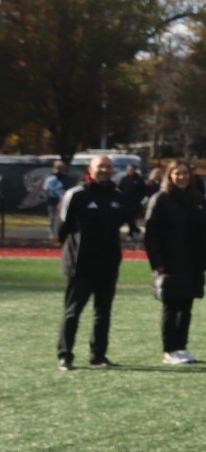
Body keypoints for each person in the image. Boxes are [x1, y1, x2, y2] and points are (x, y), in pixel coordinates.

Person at [55, 155, 126, 370]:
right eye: (100, 166)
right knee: (73, 312)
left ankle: (98, 355)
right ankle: (65, 355)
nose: (105, 170)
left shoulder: (118, 195)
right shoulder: (76, 194)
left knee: (103, 312)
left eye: (109, 166)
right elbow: (60, 229)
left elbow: (120, 223)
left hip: (108, 264)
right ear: (90, 169)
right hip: (80, 265)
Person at [145, 160, 206, 364]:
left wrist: (204, 258)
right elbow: (151, 234)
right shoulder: (161, 199)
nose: (182, 177)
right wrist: (157, 262)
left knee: (186, 306)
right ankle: (169, 349)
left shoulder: (198, 199)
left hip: (192, 262)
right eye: (177, 173)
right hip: (170, 262)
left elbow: (205, 231)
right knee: (171, 307)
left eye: (185, 173)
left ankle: (181, 347)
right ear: (169, 176)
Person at [118, 163, 146, 238]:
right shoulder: (124, 179)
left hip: (136, 204)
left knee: (131, 218)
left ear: (134, 170)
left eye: (131, 169)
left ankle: (131, 233)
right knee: (127, 219)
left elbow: (145, 194)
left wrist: (143, 203)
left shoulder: (139, 180)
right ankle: (136, 230)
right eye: (128, 169)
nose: (130, 171)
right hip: (125, 203)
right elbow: (119, 190)